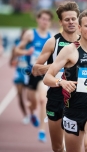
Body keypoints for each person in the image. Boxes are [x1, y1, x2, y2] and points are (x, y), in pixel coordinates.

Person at [43, 10, 87, 152]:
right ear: (79, 28)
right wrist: (61, 82)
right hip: (72, 111)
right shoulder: (70, 50)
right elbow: (47, 78)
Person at [32, 1, 80, 152]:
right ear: (60, 22)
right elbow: (35, 70)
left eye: (73, 18)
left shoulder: (86, 42)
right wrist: (57, 65)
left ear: (78, 19)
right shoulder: (53, 41)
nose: (71, 22)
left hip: (79, 99)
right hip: (56, 98)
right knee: (58, 148)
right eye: (67, 19)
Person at [14, 9, 53, 142]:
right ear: (38, 19)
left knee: (43, 100)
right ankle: (31, 113)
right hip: (31, 73)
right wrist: (26, 51)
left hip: (43, 74)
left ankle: (42, 130)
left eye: (47, 20)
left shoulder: (51, 38)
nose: (45, 22)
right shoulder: (30, 34)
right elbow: (16, 50)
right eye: (43, 19)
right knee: (33, 104)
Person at [9, 29, 29, 124]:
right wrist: (14, 60)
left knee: (30, 97)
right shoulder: (16, 46)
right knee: (20, 95)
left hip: (29, 73)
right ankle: (25, 115)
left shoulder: (31, 45)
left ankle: (31, 111)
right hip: (19, 74)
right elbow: (10, 63)